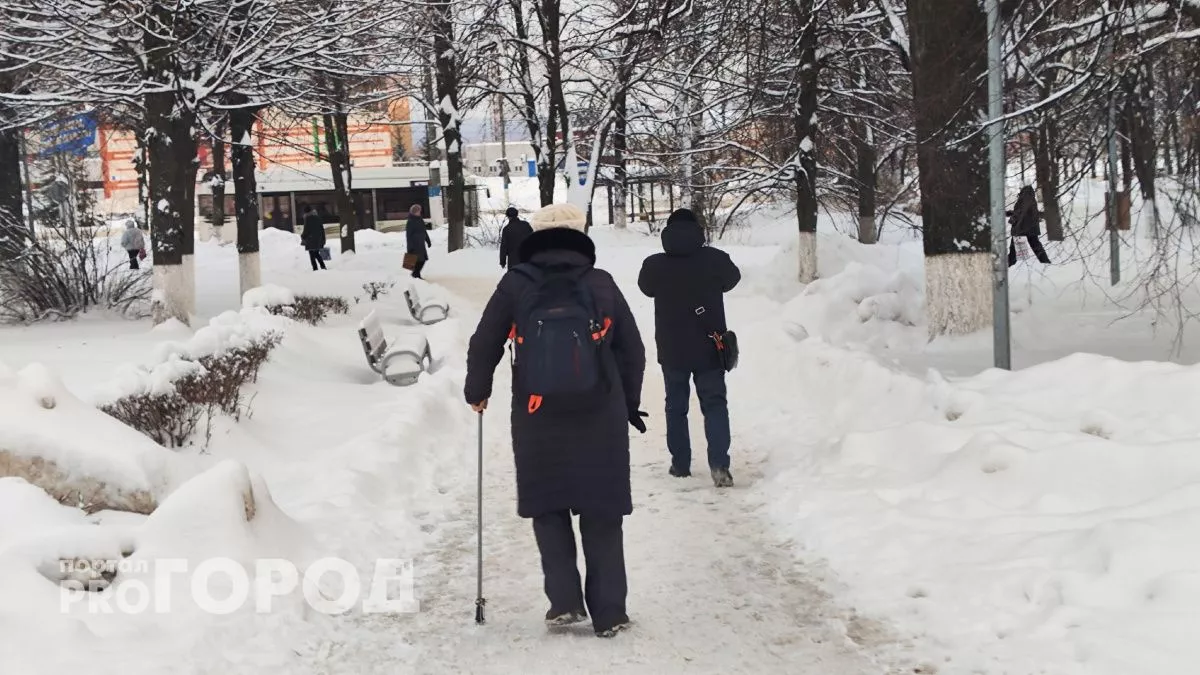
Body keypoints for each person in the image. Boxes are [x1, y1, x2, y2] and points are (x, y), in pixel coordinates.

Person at [464, 202, 646, 638]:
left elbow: (484, 339)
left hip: (536, 412)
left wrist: (478, 391)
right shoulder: (600, 283)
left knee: (548, 505)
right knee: (602, 511)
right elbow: (633, 350)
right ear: (580, 237)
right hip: (599, 412)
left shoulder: (516, 283)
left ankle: (564, 603)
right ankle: (610, 612)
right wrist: (627, 403)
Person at [637, 208, 741, 488]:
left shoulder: (654, 265)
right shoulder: (716, 259)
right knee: (715, 404)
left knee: (676, 406)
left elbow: (645, 288)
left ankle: (680, 465)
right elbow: (732, 280)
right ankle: (719, 465)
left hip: (672, 348)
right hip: (710, 344)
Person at [1007, 186, 1051, 266]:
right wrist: (1010, 213)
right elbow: (1024, 211)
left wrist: (1013, 219)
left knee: (1014, 253)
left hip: (1021, 229)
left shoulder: (1024, 197)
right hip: (1031, 228)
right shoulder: (1031, 198)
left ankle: (1003, 265)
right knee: (1037, 247)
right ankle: (1046, 263)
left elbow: (1020, 211)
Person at [406, 204, 432, 279]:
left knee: (422, 260)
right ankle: (416, 275)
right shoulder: (410, 221)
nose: (419, 212)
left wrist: (428, 240)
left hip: (421, 244)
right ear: (414, 212)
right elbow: (408, 235)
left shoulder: (420, 220)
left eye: (419, 211)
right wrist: (410, 247)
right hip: (414, 245)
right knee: (417, 261)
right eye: (418, 211)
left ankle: (416, 274)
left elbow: (424, 231)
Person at [300, 205, 327, 271]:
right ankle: (323, 266)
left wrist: (302, 236)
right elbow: (322, 229)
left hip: (310, 239)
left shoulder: (307, 218)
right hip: (318, 239)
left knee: (312, 254)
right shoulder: (318, 217)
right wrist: (323, 239)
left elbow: (306, 230)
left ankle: (315, 268)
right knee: (316, 253)